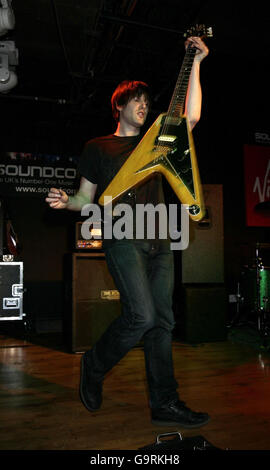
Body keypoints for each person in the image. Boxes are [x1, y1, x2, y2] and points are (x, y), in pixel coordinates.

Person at [46, 36, 210, 428]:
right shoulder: (98, 147)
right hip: (123, 238)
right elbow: (87, 198)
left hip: (161, 240)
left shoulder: (158, 140)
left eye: (146, 100)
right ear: (119, 105)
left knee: (163, 323)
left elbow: (191, 118)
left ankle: (164, 403)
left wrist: (198, 62)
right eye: (136, 99)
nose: (143, 105)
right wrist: (67, 201)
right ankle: (95, 364)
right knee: (140, 316)